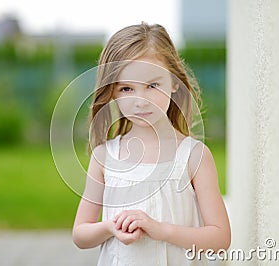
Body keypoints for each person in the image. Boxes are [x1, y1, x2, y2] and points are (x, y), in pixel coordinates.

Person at [72, 22, 230, 265]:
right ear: (112, 92)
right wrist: (111, 228)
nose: (141, 101)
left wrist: (160, 230)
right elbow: (81, 234)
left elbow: (220, 238)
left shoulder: (193, 156)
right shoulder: (104, 157)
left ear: (174, 83)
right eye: (126, 88)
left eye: (152, 86)